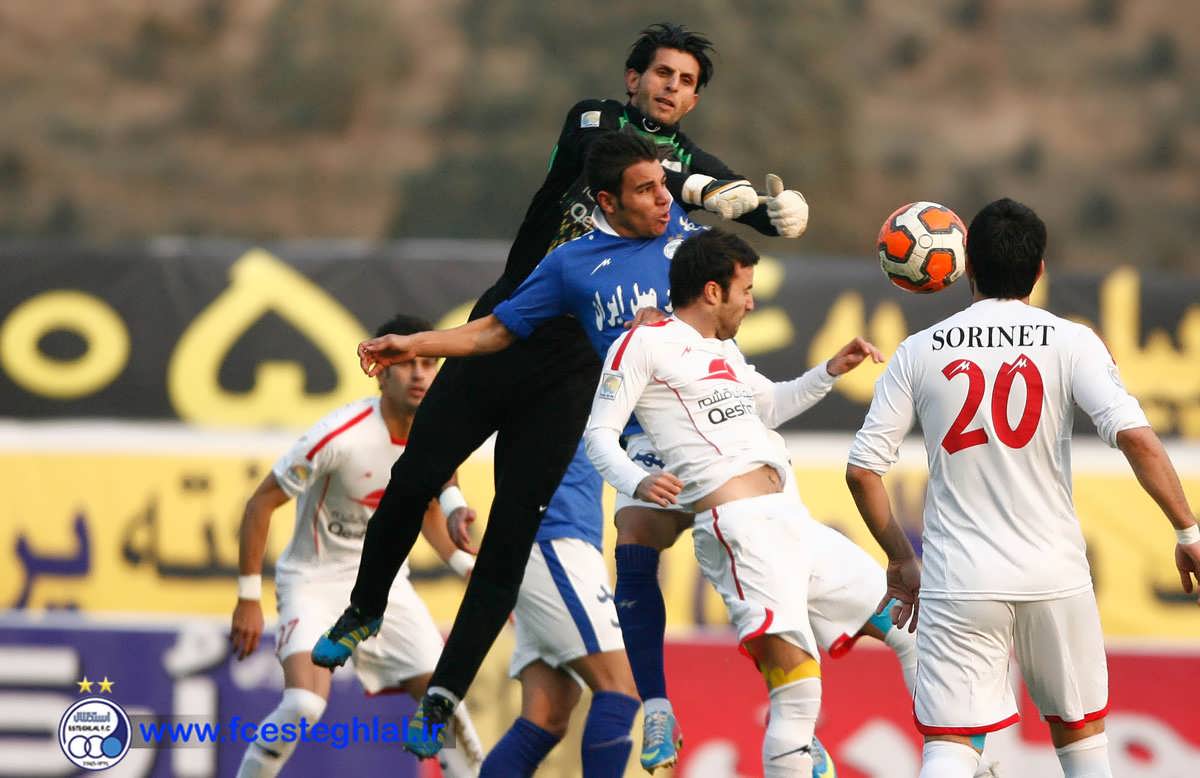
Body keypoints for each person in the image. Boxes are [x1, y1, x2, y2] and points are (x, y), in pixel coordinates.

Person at [311, 21, 810, 760]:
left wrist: (774, 214)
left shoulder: (682, 175)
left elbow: (728, 223)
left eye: (687, 82)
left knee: (511, 536)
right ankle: (363, 609)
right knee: (412, 476)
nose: (673, 88)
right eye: (662, 74)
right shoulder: (594, 122)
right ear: (634, 77)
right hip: (503, 329)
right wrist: (707, 189)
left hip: (572, 375)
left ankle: (443, 694)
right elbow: (663, 172)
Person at [845, 198, 1200, 778]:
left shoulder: (917, 352)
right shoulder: (1073, 342)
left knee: (952, 744)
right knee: (1082, 738)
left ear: (966, 267)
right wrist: (1188, 530)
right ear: (1040, 270)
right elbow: (1136, 438)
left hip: (960, 578)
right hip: (1054, 573)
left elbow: (862, 471)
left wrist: (901, 559)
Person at [583, 228, 886, 777]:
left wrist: (828, 373)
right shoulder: (644, 343)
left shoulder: (722, 347)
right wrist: (635, 481)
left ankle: (957, 761)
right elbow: (599, 434)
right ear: (712, 291)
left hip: (792, 520)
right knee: (798, 696)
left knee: (907, 621)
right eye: (745, 289)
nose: (752, 300)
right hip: (741, 528)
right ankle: (664, 709)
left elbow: (768, 405)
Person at [229, 314, 484, 778]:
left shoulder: (440, 431)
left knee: (445, 704)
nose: (421, 374)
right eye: (408, 364)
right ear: (383, 370)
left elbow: (426, 506)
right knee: (304, 704)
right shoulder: (338, 437)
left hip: (386, 588)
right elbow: (261, 503)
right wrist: (248, 597)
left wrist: (468, 567)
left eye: (430, 363)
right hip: (315, 583)